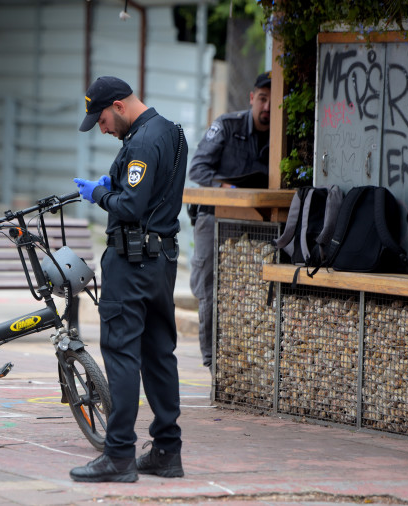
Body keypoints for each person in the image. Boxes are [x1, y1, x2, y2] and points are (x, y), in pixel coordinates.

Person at [70, 76, 187, 482]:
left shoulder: (138, 143)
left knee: (121, 354)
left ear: (119, 105)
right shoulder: (171, 131)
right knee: (159, 354)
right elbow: (152, 193)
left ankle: (118, 455)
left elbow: (132, 205)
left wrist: (99, 194)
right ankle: (167, 452)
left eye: (101, 119)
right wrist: (114, 184)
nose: (101, 128)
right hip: (161, 262)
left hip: (131, 261)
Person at [188, 71, 271, 376]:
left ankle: (251, 364)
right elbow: (197, 168)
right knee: (210, 289)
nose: (266, 107)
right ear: (252, 98)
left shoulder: (282, 135)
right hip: (216, 217)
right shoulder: (226, 125)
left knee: (256, 294)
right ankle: (213, 365)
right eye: (262, 99)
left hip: (260, 225)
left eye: (272, 102)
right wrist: (229, 191)